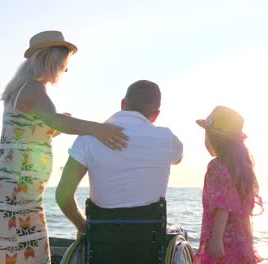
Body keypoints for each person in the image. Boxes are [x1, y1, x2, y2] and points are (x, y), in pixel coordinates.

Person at [0, 30, 128, 264]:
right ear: (49, 59)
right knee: (28, 255)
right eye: (62, 64)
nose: (64, 70)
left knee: (4, 254)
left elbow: (23, 135)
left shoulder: (19, 90)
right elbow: (56, 120)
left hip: (7, 187)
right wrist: (99, 128)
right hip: (15, 192)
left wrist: (52, 129)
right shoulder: (34, 88)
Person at [55, 80, 183, 239]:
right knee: (180, 232)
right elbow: (178, 158)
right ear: (156, 114)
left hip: (101, 240)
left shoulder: (88, 139)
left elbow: (63, 195)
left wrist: (83, 226)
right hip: (149, 242)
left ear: (123, 104)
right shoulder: (167, 138)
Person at [193, 106, 263, 264]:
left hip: (223, 240)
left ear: (212, 138)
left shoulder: (217, 166)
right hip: (241, 238)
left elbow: (222, 205)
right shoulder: (241, 168)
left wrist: (216, 239)